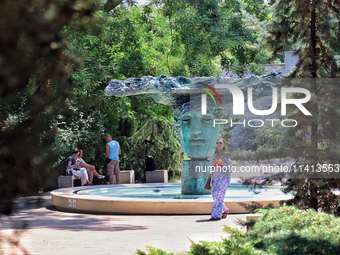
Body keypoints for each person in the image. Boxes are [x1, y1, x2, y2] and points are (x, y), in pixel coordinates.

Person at [209, 138, 232, 220]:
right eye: (217, 142)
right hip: (214, 178)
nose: (218, 144)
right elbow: (210, 166)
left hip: (223, 178)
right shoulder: (214, 155)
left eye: (220, 143)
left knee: (219, 196)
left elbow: (230, 168)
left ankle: (216, 215)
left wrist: (222, 163)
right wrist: (213, 164)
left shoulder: (226, 156)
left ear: (224, 144)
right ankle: (225, 209)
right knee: (215, 195)